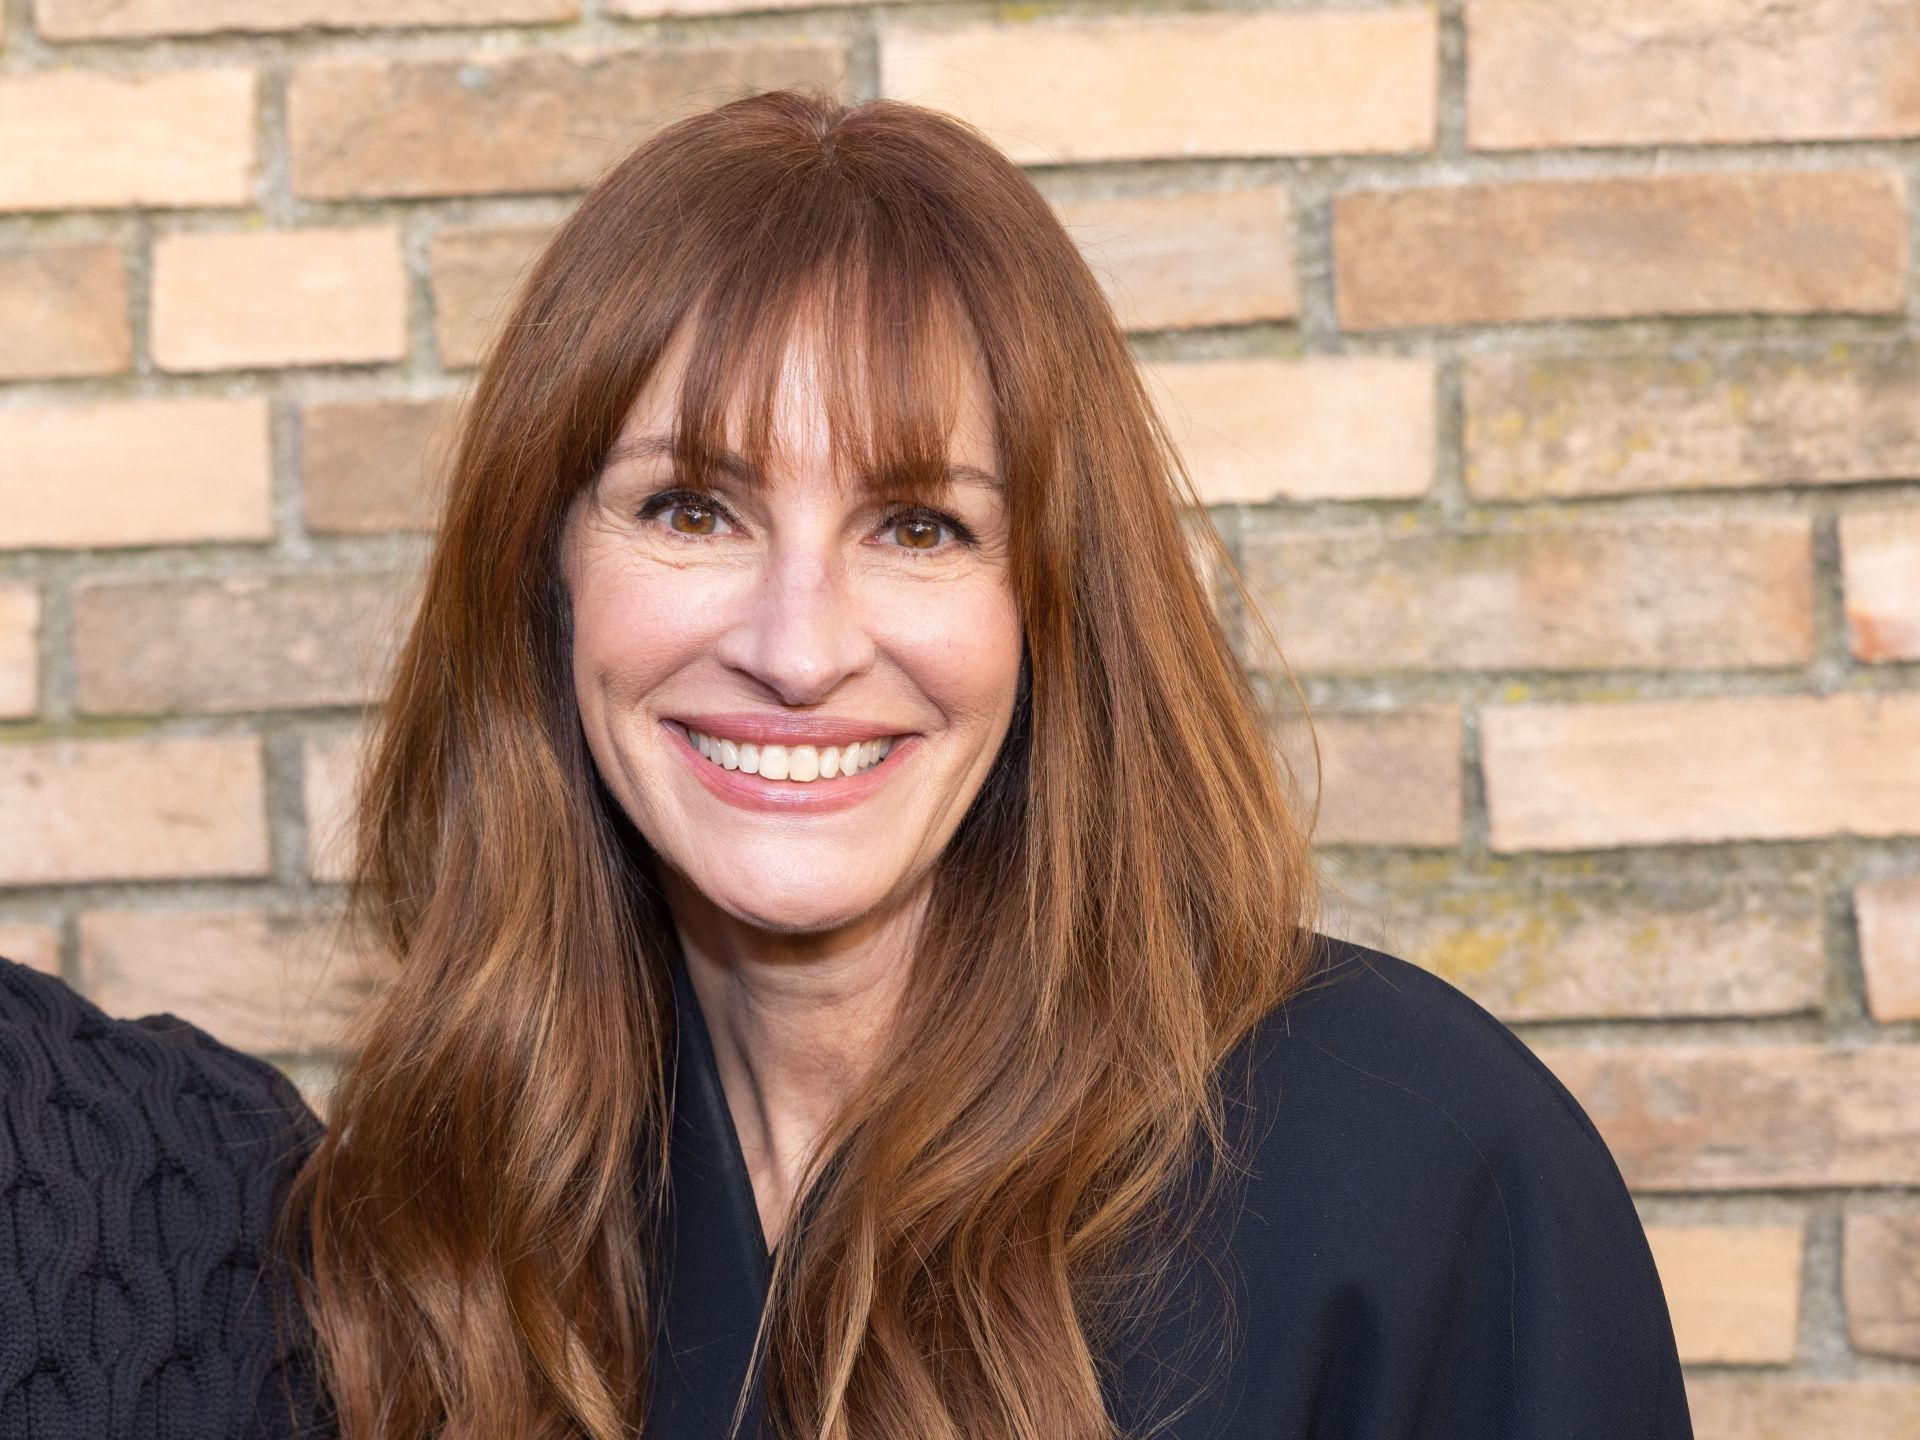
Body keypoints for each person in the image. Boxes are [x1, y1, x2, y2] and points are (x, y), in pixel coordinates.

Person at [0, 88, 1694, 1440]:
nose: (800, 644)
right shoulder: (445, 1223)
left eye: (916, 524)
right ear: (549, 579)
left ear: (1051, 606)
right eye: (691, 508)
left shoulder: (1421, 1165)